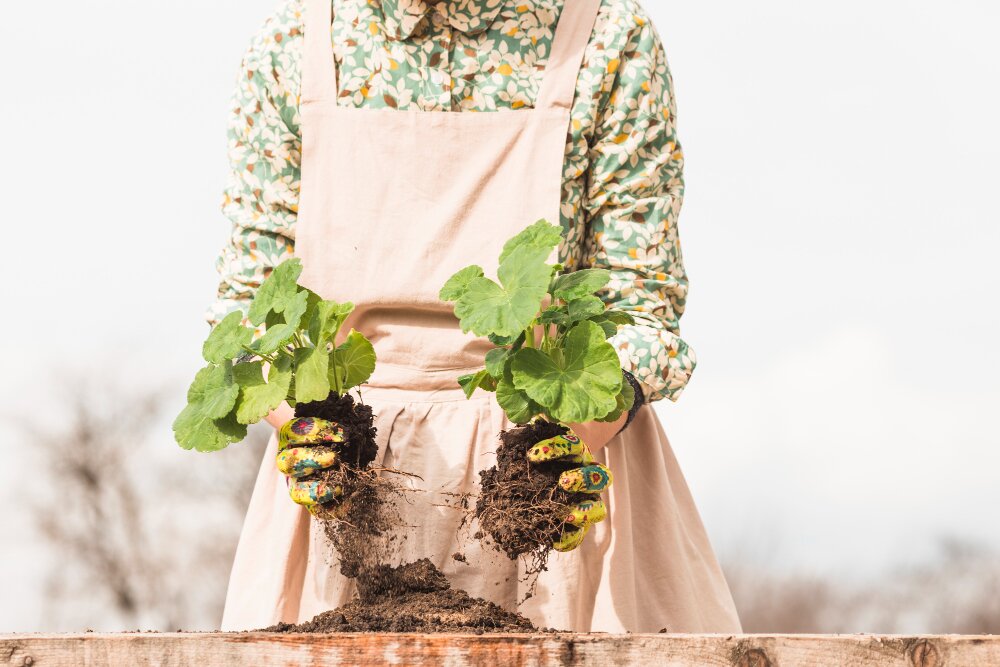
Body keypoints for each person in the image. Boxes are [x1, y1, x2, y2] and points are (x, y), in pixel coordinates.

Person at [209, 0, 742, 633]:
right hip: (341, 501)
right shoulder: (293, 45)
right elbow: (250, 313)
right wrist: (309, 430)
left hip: (557, 477)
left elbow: (641, 306)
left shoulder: (606, 37)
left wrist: (563, 454)